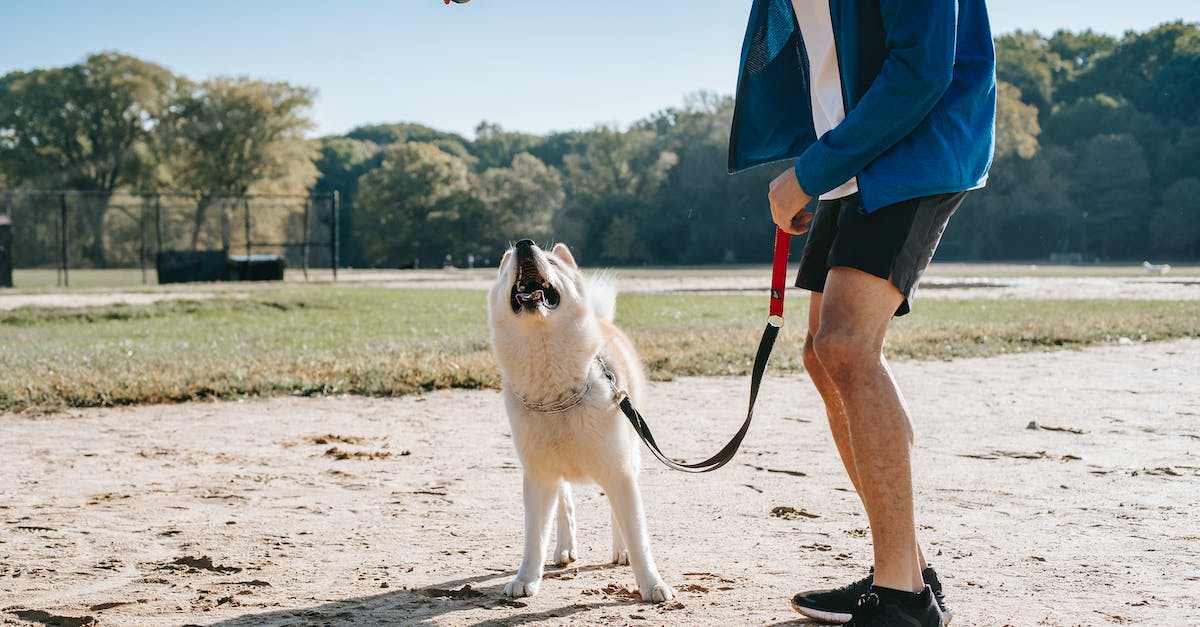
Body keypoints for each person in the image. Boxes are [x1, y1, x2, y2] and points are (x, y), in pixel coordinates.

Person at [728, 1, 996, 626]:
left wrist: (811, 171)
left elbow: (923, 68)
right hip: (853, 149)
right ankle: (905, 573)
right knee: (824, 355)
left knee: (848, 345)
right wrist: (815, 165)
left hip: (916, 139)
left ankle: (901, 601)